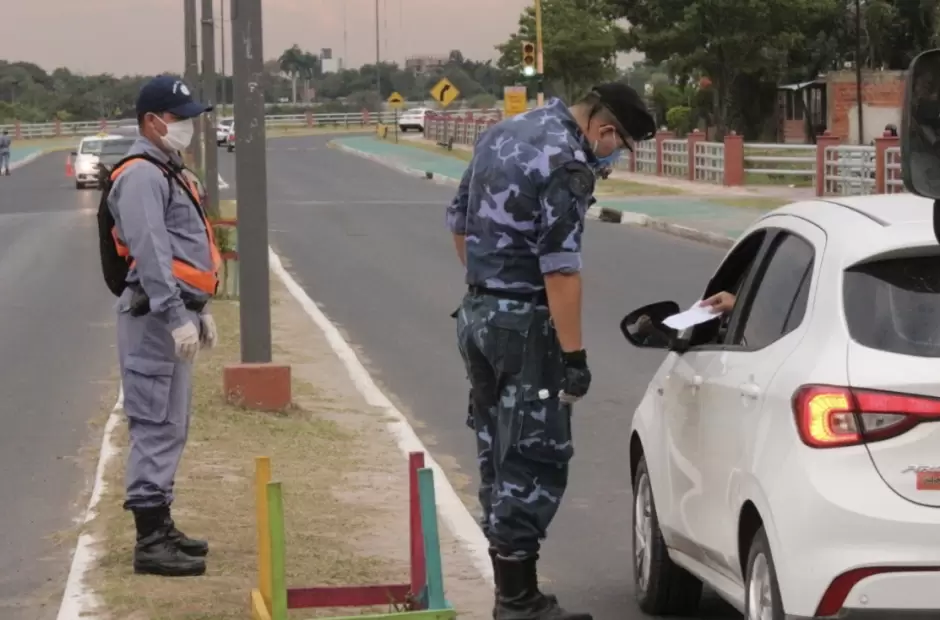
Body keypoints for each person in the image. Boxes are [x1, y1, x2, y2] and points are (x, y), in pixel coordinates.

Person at [447, 84, 655, 619]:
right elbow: (560, 268)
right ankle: (518, 602)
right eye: (620, 146)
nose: (615, 157)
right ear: (604, 130)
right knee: (535, 455)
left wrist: (491, 288)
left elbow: (460, 224)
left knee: (497, 448)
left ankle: (513, 592)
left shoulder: (503, 131)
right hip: (526, 325)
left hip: (478, 313)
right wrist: (574, 356)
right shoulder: (568, 164)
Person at [108, 75, 221, 577]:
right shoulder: (141, 175)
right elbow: (151, 254)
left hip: (175, 312)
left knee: (173, 425)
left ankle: (162, 523)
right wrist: (178, 315)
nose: (188, 127)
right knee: (154, 424)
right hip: (154, 319)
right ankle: (149, 542)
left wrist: (201, 308)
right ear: (152, 122)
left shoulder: (165, 168)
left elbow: (183, 249)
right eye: (180, 119)